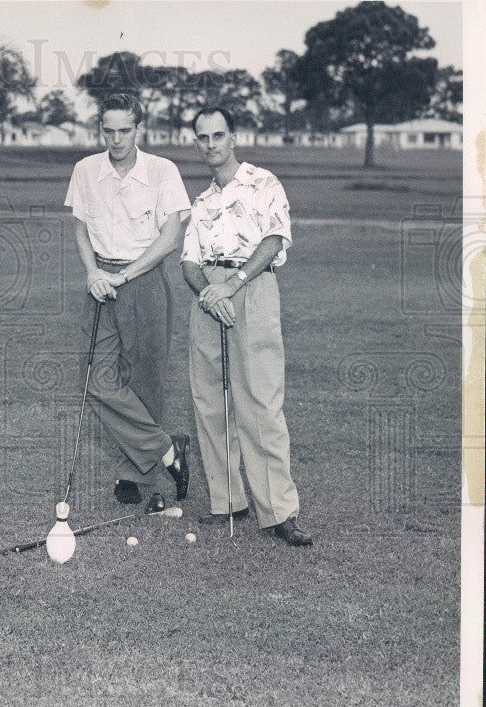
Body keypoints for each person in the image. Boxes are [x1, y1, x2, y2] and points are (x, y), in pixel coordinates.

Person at [181, 106, 313, 546]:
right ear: (196, 142)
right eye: (203, 137)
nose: (211, 143)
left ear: (233, 137)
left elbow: (275, 238)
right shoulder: (200, 203)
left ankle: (279, 512)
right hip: (208, 296)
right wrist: (208, 292)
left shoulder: (263, 182)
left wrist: (232, 285)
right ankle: (228, 501)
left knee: (260, 401)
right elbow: (189, 261)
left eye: (219, 135)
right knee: (210, 403)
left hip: (252, 286)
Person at [64, 92, 192, 511]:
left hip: (144, 280)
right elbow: (81, 228)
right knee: (96, 380)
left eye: (124, 130)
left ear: (139, 129)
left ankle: (132, 475)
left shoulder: (162, 171)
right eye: (108, 130)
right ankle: (167, 449)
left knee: (145, 380)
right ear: (100, 129)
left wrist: (122, 275)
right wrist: (93, 273)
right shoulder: (85, 170)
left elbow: (170, 237)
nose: (116, 139)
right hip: (102, 280)